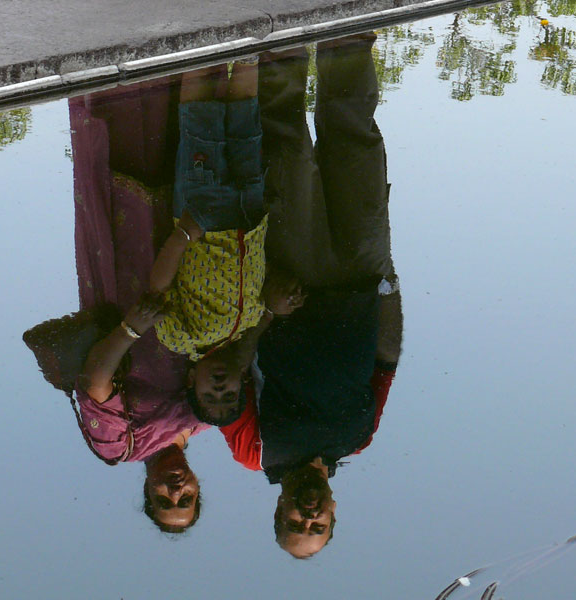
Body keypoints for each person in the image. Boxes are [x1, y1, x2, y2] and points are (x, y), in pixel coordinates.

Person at [220, 34, 403, 557]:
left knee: (286, 147)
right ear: (333, 513)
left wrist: (264, 308)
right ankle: (350, 33)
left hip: (291, 275)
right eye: (317, 527)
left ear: (279, 510)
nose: (308, 516)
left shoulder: (255, 452)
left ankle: (281, 39)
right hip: (361, 272)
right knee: (357, 142)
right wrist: (388, 278)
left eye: (296, 524)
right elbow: (386, 359)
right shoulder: (358, 438)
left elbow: (225, 369)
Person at [51, 81, 210, 533]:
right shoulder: (205, 419)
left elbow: (95, 384)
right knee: (176, 160)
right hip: (182, 274)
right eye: (186, 498)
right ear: (198, 486)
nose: (175, 490)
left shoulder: (120, 447)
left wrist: (131, 329)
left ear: (147, 492)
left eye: (164, 500)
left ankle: (109, 75)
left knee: (124, 176)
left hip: (124, 290)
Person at [148, 59, 306, 427]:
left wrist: (182, 235)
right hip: (248, 211)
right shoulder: (248, 323)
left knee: (200, 127)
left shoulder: (181, 339)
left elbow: (157, 289)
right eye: (230, 394)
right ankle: (245, 50)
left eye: (210, 395)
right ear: (242, 381)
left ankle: (199, 50)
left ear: (192, 380)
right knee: (244, 127)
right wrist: (283, 301)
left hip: (203, 216)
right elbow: (264, 279)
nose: (220, 388)